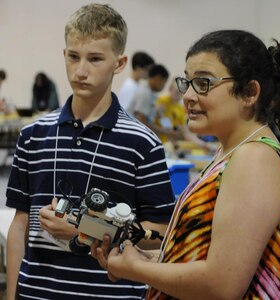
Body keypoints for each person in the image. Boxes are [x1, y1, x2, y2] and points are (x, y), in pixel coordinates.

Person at [91, 29, 280, 299]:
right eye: (186, 82)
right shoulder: (231, 152)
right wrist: (151, 258)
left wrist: (137, 269)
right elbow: (208, 257)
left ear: (249, 92)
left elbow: (222, 284)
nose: (188, 96)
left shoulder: (255, 159)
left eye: (204, 83)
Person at [5, 3, 174, 299]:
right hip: (38, 291)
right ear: (64, 55)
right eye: (73, 56)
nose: (81, 70)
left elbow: (158, 233)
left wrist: (83, 230)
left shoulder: (143, 143)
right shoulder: (33, 135)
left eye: (95, 59)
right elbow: (20, 225)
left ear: (119, 64)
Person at [154, 77, 217, 153]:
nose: (179, 96)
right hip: (158, 142)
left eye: (181, 93)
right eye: (176, 92)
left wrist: (203, 145)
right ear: (170, 89)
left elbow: (186, 133)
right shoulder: (162, 101)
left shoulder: (180, 108)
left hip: (170, 143)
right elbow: (166, 126)